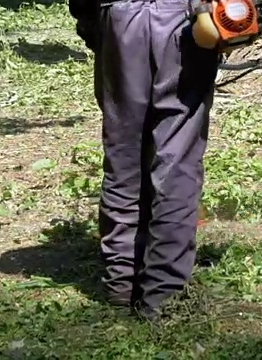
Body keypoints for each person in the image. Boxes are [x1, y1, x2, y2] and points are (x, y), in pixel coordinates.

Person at [69, 0, 219, 320]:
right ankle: (163, 297)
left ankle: (122, 284)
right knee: (177, 160)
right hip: (185, 21)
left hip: (118, 16)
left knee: (123, 155)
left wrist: (93, 26)